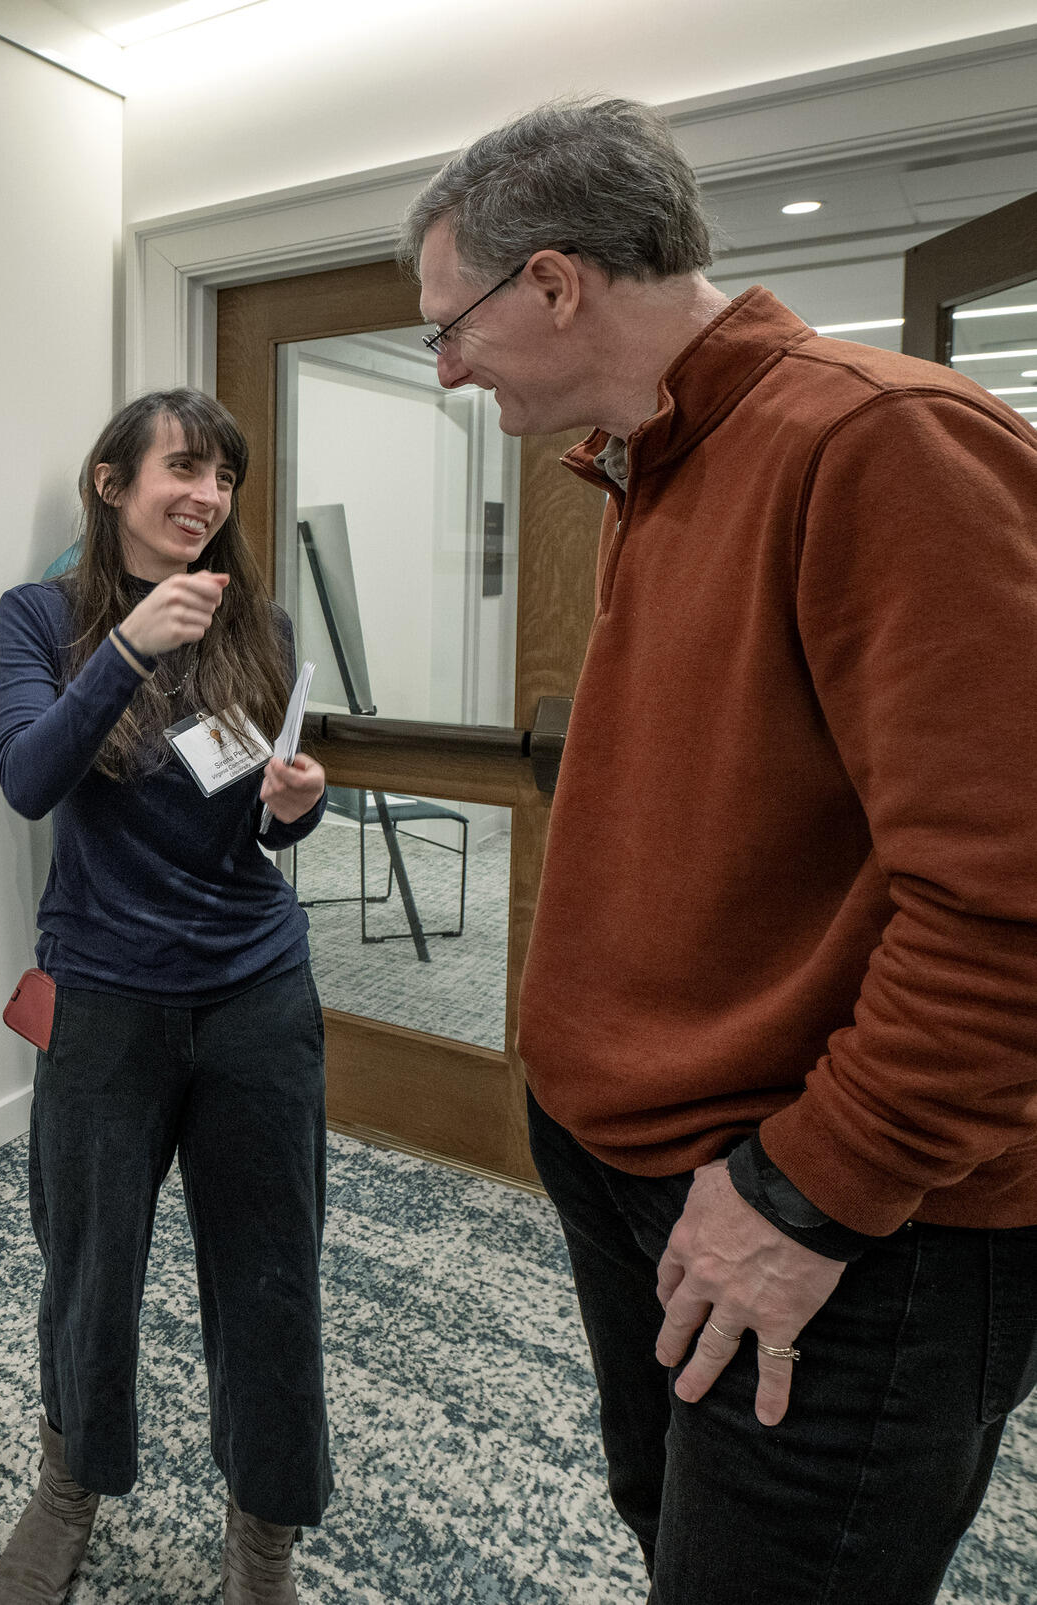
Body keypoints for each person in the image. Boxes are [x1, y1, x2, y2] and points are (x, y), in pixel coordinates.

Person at [401, 97, 1037, 1602]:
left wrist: (812, 1190)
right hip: (650, 1167)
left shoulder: (881, 440)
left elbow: (1008, 904)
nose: (445, 369)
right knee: (674, 1535)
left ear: (553, 283)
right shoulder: (653, 466)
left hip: (841, 1221)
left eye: (450, 328)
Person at [0, 388, 331, 1605]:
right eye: (183, 467)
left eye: (224, 477)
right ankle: (69, 1487)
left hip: (255, 994)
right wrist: (129, 646)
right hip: (104, 998)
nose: (207, 496)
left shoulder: (256, 624)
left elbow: (258, 824)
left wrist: (296, 809)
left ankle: (264, 1534)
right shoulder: (40, 618)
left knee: (271, 1278)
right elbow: (27, 778)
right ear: (110, 482)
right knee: (88, 1273)